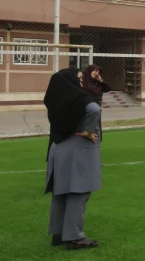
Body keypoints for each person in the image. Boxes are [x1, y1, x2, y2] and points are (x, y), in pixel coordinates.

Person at [43, 68, 102, 250]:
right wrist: (87, 131)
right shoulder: (81, 99)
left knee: (60, 192)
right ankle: (75, 237)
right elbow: (94, 108)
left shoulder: (55, 99)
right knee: (78, 191)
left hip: (57, 148)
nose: (81, 82)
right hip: (76, 150)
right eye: (78, 79)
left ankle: (59, 233)